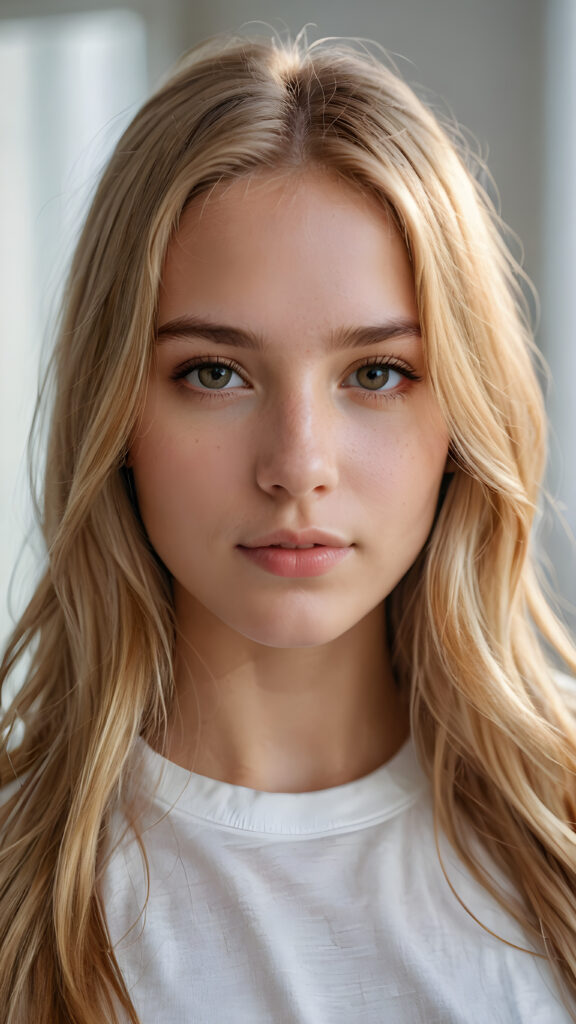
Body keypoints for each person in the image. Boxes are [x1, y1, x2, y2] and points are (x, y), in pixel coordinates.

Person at [1, 29, 576, 1024]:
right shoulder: (21, 891)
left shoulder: (558, 847)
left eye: (377, 373)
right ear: (118, 416)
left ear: (463, 419)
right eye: (214, 373)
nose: (297, 464)